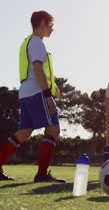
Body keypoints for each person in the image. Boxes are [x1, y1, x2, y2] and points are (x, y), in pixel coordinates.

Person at [0, 11, 65, 182]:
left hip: (26, 92)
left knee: (23, 133)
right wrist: (48, 95)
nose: (52, 29)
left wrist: (54, 87)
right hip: (37, 93)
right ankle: (42, 174)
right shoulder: (37, 43)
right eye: (51, 24)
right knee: (53, 129)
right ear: (43, 23)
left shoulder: (28, 42)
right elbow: (37, 69)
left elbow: (35, 70)